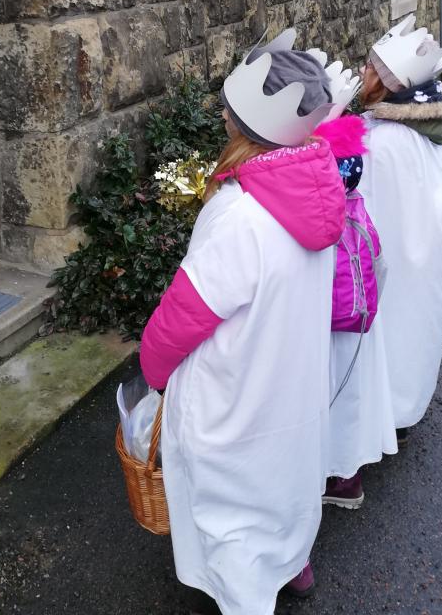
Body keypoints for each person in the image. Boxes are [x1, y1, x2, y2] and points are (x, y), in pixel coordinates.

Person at [140, 30, 346, 615]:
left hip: (238, 388)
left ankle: (247, 596)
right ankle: (291, 560)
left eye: (228, 108)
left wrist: (154, 369)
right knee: (285, 474)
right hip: (292, 379)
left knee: (232, 500)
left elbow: (187, 312)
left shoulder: (240, 213)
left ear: (244, 124)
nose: (222, 114)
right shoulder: (315, 190)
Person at [358, 16, 442, 439]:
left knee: (391, 330)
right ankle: (400, 412)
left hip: (398, 260)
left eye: (371, 67)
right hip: (423, 252)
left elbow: (361, 208)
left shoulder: (383, 142)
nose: (363, 71)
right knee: (414, 331)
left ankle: (376, 420)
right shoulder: (423, 130)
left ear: (388, 83)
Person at [307, 50, 398, 510]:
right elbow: (379, 261)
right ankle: (348, 474)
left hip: (325, 323)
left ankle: (330, 474)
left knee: (325, 395)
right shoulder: (357, 208)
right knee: (352, 392)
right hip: (357, 316)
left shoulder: (311, 217)